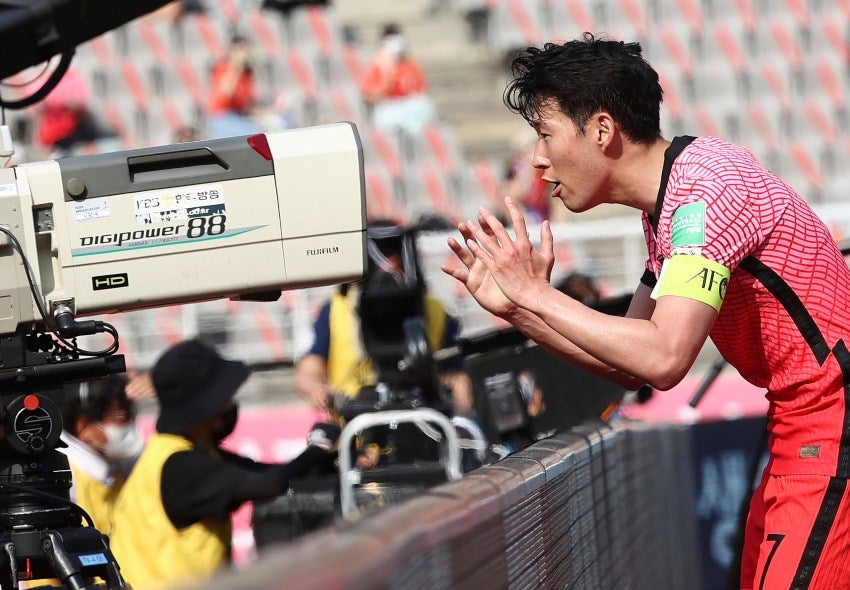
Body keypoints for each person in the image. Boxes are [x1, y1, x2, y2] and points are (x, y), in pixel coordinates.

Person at [441, 33, 850, 590]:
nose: (537, 159)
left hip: (830, 423)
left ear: (602, 130)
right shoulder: (671, 203)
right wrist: (520, 308)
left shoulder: (706, 190)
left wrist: (536, 295)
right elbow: (634, 357)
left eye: (544, 134)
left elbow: (664, 357)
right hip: (802, 425)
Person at [108, 339, 338, 590]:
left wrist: (333, 458)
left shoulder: (187, 452)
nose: (231, 406)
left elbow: (274, 473)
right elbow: (269, 483)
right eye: (225, 399)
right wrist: (320, 445)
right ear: (205, 409)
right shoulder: (182, 466)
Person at [294, 221, 473, 469]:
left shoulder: (436, 310)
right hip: (353, 441)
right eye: (382, 254)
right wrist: (318, 388)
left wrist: (456, 423)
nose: (388, 264)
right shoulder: (336, 310)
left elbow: (458, 379)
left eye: (394, 254)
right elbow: (307, 372)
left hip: (423, 439)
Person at [60, 374, 143, 534]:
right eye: (121, 416)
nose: (129, 424)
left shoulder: (118, 464)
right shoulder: (67, 478)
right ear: (83, 426)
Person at [359, 23, 436, 135]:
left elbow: (421, 90)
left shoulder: (411, 64)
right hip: (389, 109)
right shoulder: (377, 66)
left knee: (423, 105)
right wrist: (387, 76)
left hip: (410, 109)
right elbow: (368, 97)